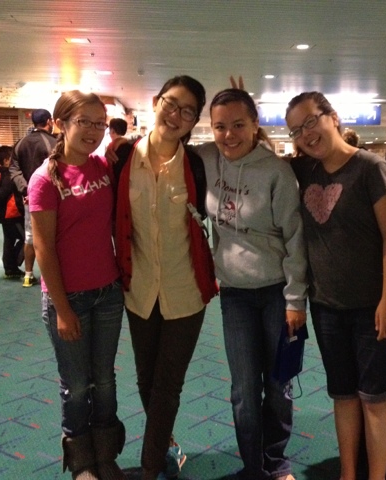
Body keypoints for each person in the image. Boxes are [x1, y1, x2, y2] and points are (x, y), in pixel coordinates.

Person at [285, 92, 386, 480]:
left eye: (310, 122)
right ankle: (348, 474)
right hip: (327, 307)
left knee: (375, 399)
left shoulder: (371, 168)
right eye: (296, 130)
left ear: (332, 117)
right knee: (343, 395)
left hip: (374, 306)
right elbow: (259, 155)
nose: (306, 134)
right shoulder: (304, 170)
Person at [196, 88, 307, 480]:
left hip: (278, 291)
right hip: (235, 295)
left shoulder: (276, 172)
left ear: (255, 125)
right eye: (220, 126)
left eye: (238, 125)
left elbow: (295, 239)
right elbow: (164, 147)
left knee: (278, 384)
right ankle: (253, 467)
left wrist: (296, 300)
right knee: (243, 389)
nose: (229, 135)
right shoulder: (206, 158)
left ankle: (276, 461)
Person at [114, 75, 218, 480]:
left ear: (194, 121)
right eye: (171, 104)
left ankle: (150, 467)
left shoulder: (197, 164)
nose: (176, 115)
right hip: (139, 289)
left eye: (187, 111)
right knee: (146, 378)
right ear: (156, 101)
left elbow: (243, 151)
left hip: (185, 289)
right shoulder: (123, 159)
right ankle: (165, 444)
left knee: (168, 384)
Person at [28, 91, 126, 480]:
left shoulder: (103, 166)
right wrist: (63, 309)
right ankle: (82, 462)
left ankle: (106, 455)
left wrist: (118, 144)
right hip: (67, 299)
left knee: (105, 380)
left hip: (108, 293)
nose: (93, 130)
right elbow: (44, 248)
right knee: (77, 384)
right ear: (60, 124)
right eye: (84, 121)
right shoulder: (44, 180)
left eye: (100, 123)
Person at [10, 108, 57, 287]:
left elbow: (14, 170)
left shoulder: (20, 143)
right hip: (53, 198)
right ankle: (52, 274)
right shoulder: (54, 143)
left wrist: (27, 190)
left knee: (30, 236)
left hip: (29, 199)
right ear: (49, 121)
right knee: (54, 235)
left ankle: (28, 275)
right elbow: (56, 170)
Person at [0, 145, 25, 278]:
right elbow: (3, 194)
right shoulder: (8, 174)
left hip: (6, 214)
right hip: (13, 213)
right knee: (27, 238)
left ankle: (10, 269)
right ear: (6, 160)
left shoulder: (0, 174)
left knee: (9, 240)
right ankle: (12, 264)